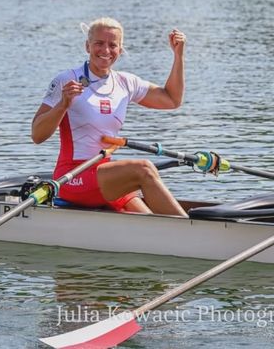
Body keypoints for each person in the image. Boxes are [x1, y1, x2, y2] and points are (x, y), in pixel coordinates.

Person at [31, 17, 188, 217]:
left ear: (120, 50)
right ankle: (193, 232)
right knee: (144, 169)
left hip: (104, 175)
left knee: (149, 218)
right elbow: (37, 135)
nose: (105, 51)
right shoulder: (66, 80)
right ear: (87, 46)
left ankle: (183, 233)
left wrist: (178, 56)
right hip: (72, 177)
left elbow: (171, 99)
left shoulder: (126, 82)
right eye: (99, 43)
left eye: (112, 45)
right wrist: (62, 105)